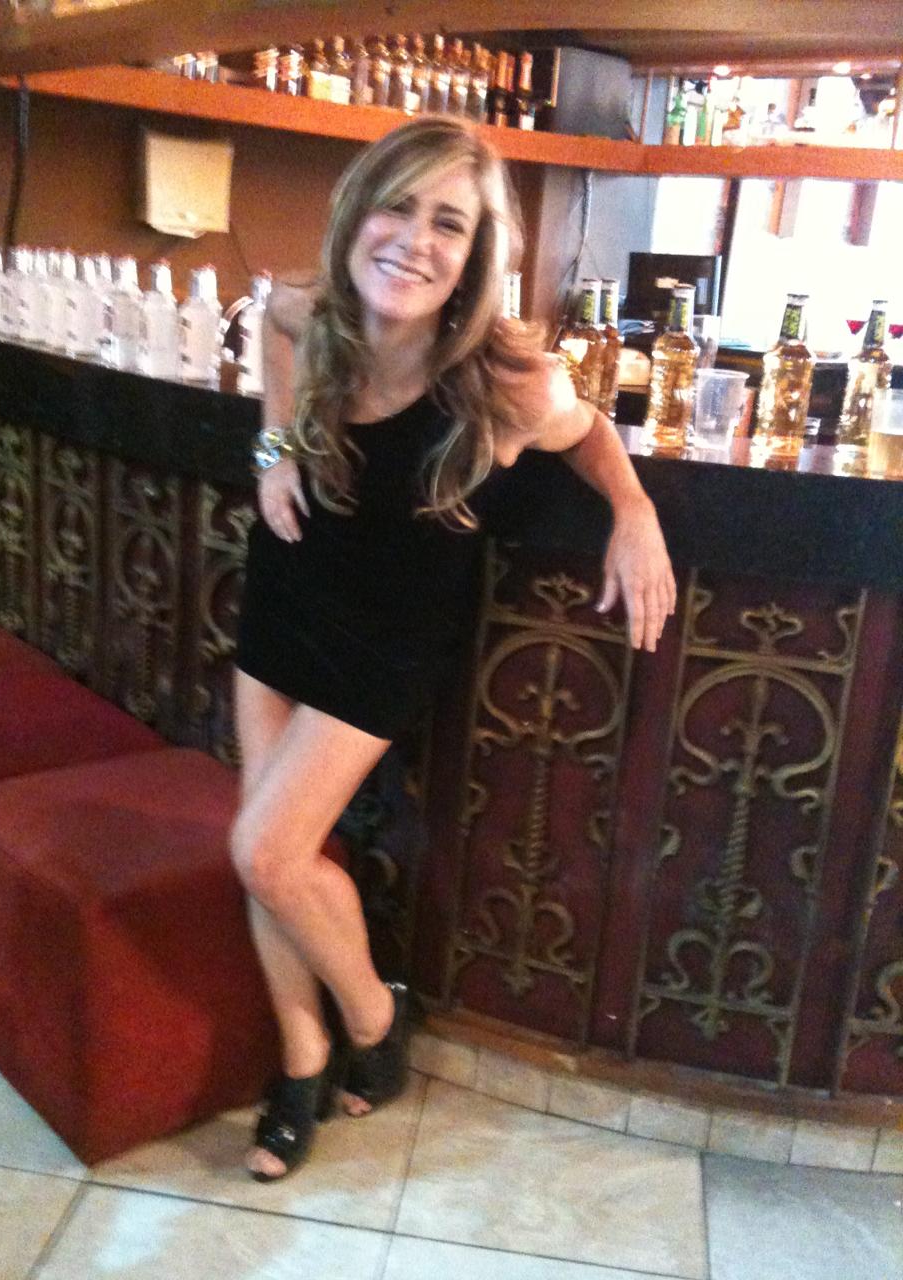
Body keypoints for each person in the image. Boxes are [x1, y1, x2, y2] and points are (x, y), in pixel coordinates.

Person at [230, 115, 676, 1181]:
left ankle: (374, 1019)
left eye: (449, 223)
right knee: (267, 852)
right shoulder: (314, 310)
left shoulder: (503, 377)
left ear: (476, 256)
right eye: (398, 206)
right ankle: (302, 1057)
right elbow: (271, 321)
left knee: (266, 851)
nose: (415, 241)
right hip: (286, 585)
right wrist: (276, 448)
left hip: (387, 641)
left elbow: (589, 432)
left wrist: (635, 509)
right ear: (357, 213)